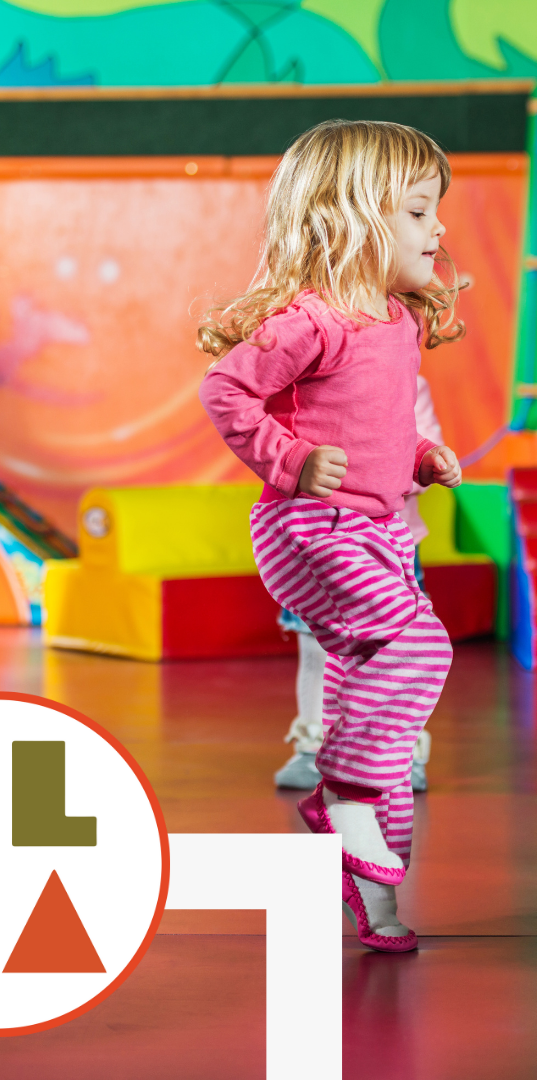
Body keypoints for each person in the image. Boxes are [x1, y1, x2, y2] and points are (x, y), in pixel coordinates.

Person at [199, 120, 464, 953]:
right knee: (422, 645)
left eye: (436, 211)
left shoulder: (396, 322)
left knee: (375, 708)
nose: (438, 229)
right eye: (418, 212)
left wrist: (419, 458)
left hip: (378, 531)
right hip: (311, 526)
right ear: (354, 218)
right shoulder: (310, 321)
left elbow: (374, 423)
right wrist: (291, 460)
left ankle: (377, 905)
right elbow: (225, 391)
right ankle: (339, 791)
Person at [274, 374, 442, 793]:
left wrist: (379, 472)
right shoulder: (305, 380)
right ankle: (312, 745)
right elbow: (278, 449)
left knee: (395, 649)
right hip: (316, 540)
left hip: (387, 543)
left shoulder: (406, 380)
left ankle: (397, 752)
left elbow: (428, 459)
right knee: (315, 646)